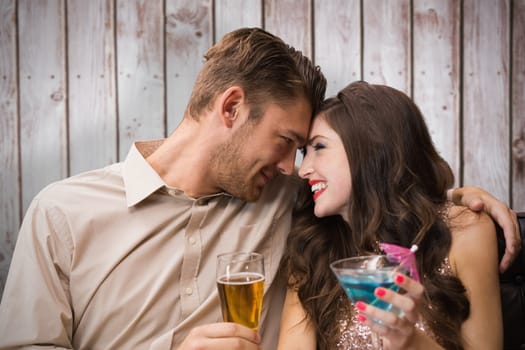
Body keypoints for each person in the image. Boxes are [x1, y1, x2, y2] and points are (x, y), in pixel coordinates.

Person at [0, 28, 517, 350]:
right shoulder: (62, 214)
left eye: (306, 149)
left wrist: (460, 200)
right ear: (231, 108)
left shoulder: (287, 201)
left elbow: (377, 190)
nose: (294, 167)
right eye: (288, 142)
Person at [278, 81, 503, 350]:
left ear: (372, 149)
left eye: (320, 147)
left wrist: (412, 342)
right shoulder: (312, 246)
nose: (303, 170)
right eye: (306, 152)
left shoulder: (468, 230)